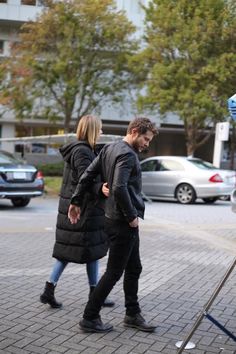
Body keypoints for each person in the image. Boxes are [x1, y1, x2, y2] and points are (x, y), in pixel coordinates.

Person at [68, 117, 158, 333]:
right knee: (114, 273)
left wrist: (76, 200)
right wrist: (130, 216)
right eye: (146, 139)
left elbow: (88, 175)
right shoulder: (127, 154)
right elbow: (118, 187)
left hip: (112, 219)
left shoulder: (109, 148)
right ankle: (89, 318)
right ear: (135, 131)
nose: (147, 144)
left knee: (134, 267)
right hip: (122, 222)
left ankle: (132, 314)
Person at [40, 115, 114, 308]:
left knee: (87, 252)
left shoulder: (83, 149)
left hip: (79, 207)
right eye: (99, 129)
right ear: (91, 130)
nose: (102, 132)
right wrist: (100, 189)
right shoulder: (81, 151)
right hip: (82, 209)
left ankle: (88, 293)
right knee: (79, 251)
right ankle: (89, 294)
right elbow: (85, 179)